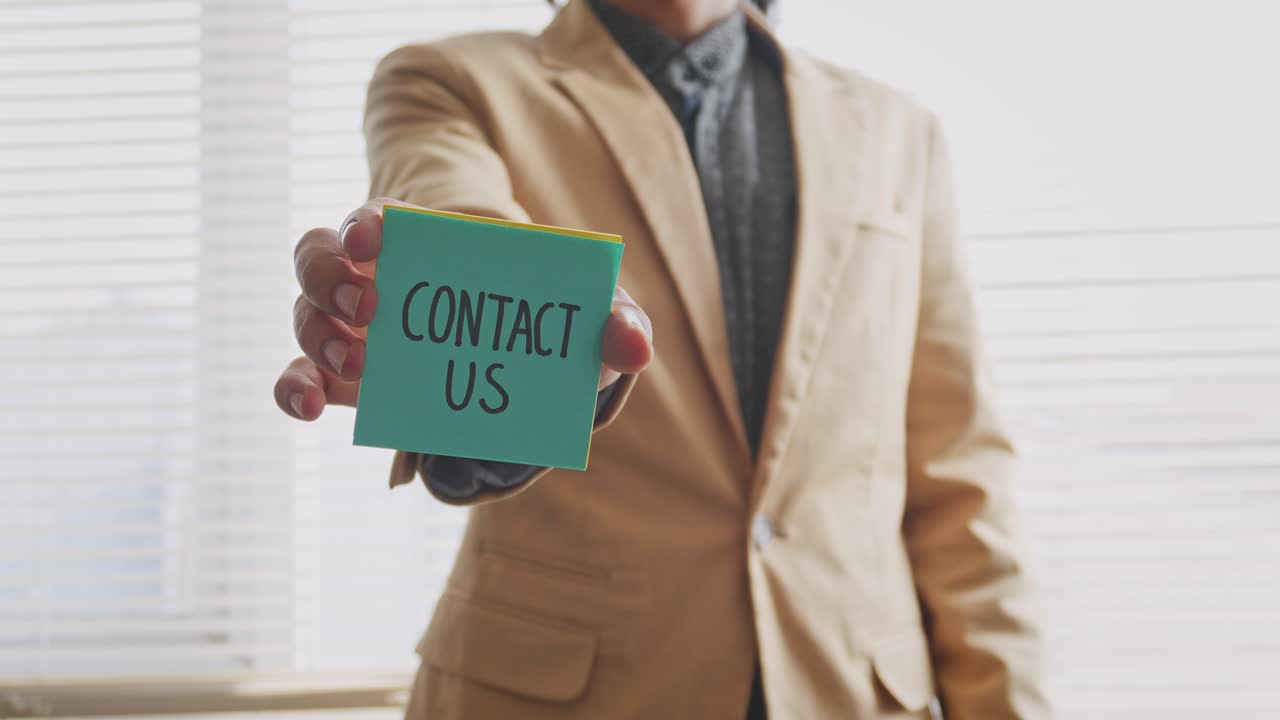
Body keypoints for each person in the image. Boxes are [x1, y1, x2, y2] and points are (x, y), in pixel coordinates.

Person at [273, 0, 1050, 717]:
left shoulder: (899, 134)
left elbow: (959, 478)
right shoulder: (450, 84)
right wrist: (502, 361)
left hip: (851, 691)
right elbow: (469, 229)